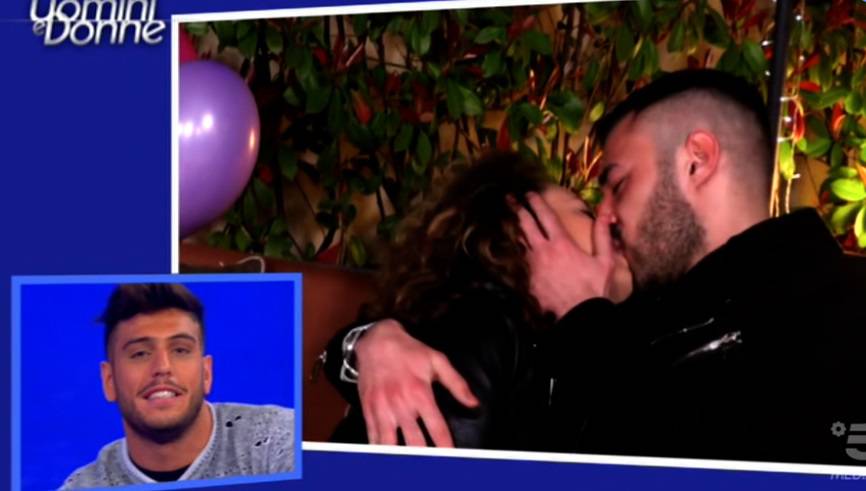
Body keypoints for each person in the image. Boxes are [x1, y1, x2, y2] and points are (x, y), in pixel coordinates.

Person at [324, 69, 866, 465]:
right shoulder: (656, 309)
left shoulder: (823, 318)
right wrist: (363, 343)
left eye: (618, 184)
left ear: (696, 161)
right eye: (588, 207)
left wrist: (584, 318)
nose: (607, 216)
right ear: (514, 242)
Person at [325, 151, 632, 450]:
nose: (606, 221)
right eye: (585, 212)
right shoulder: (483, 324)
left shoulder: (550, 336)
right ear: (521, 233)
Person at [61, 284, 295, 489]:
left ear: (206, 373)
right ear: (109, 381)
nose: (163, 367)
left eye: (180, 350)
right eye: (140, 353)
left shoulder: (279, 440)